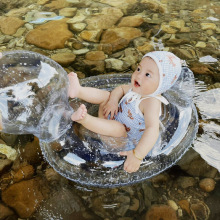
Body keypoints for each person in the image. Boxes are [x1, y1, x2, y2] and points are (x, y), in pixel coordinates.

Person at [68, 51, 182, 173]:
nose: (138, 76)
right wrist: (113, 101)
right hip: (111, 116)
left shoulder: (151, 102)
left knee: (118, 128)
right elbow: (121, 89)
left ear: (161, 84)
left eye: (147, 75)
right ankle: (78, 91)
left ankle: (84, 119)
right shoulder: (137, 89)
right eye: (139, 69)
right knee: (107, 95)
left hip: (121, 140)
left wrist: (137, 156)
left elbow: (152, 129)